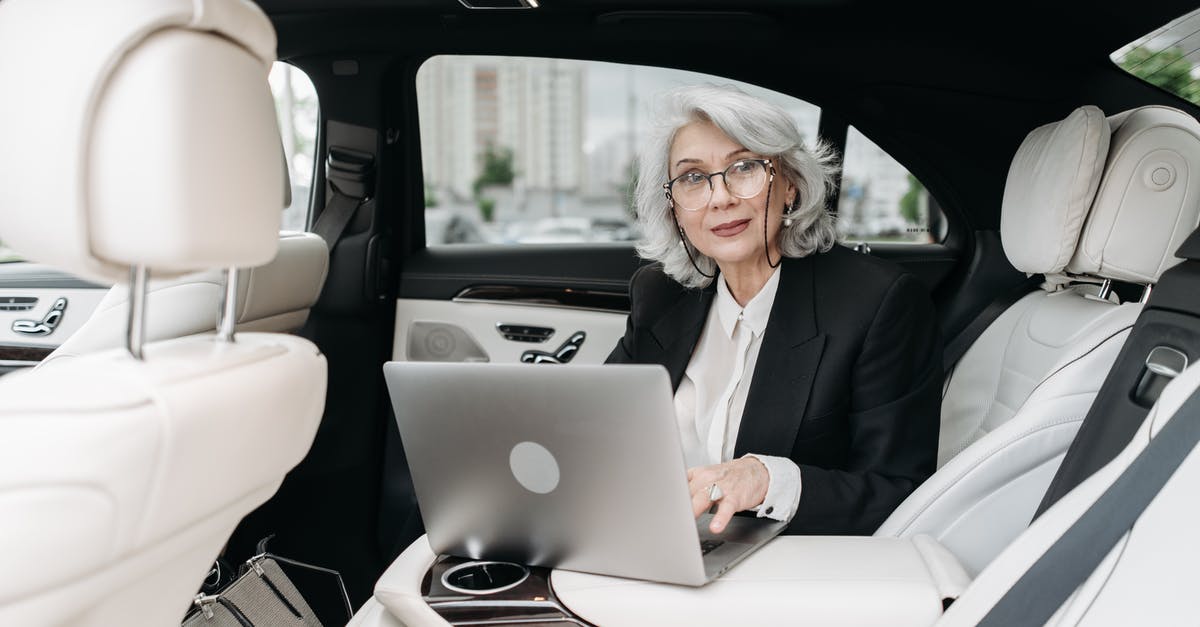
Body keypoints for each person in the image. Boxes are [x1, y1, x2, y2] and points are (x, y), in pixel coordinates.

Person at [608, 85, 941, 536]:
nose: (719, 197)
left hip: (785, 564)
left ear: (789, 185)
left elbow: (901, 493)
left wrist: (770, 481)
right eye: (692, 178)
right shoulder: (660, 293)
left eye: (744, 167)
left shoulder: (877, 303)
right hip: (652, 538)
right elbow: (600, 426)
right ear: (674, 210)